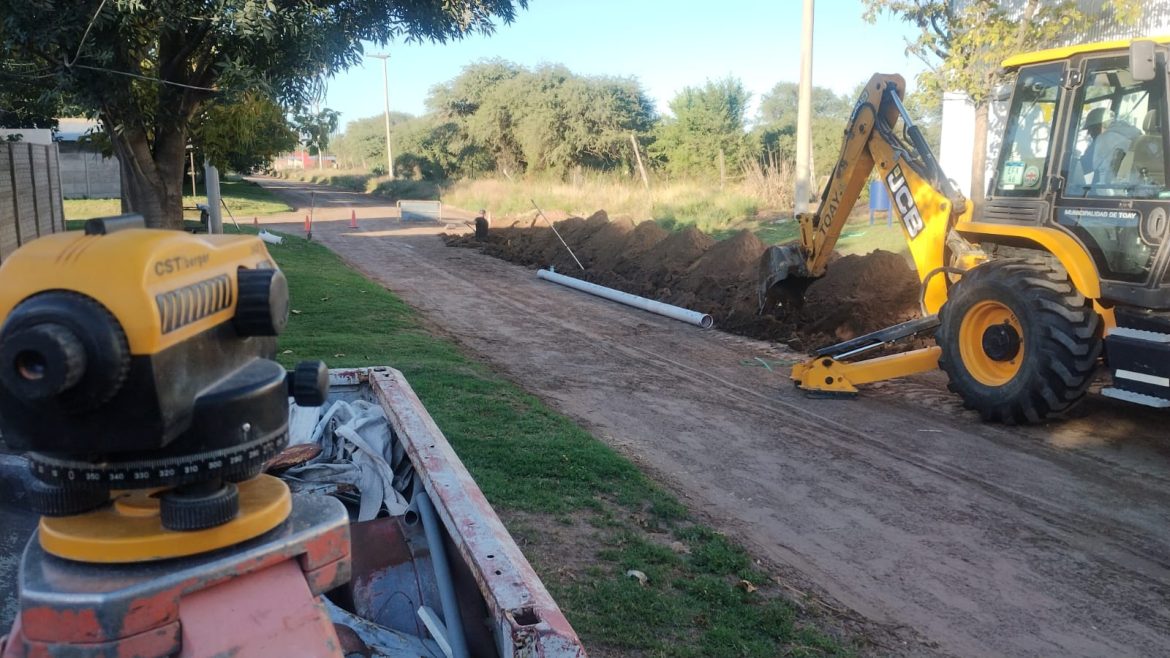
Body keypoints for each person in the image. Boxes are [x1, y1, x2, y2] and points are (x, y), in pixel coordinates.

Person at [1080, 107, 1142, 188]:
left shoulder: (1103, 139)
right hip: (1135, 185)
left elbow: (1085, 166)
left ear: (1100, 126)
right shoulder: (1135, 135)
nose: (1090, 134)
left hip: (1109, 189)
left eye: (1091, 129)